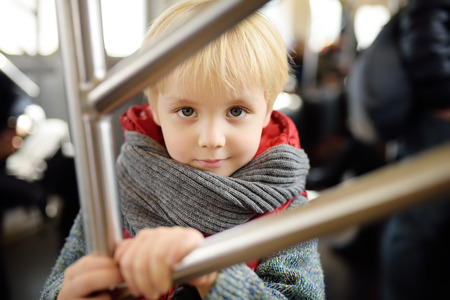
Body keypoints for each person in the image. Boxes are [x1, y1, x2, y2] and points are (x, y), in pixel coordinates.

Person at [41, 0, 325, 299]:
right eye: (187, 111)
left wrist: (214, 272)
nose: (212, 139)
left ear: (267, 109)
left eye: (237, 111)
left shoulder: (285, 205)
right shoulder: (116, 193)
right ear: (155, 110)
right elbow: (60, 280)